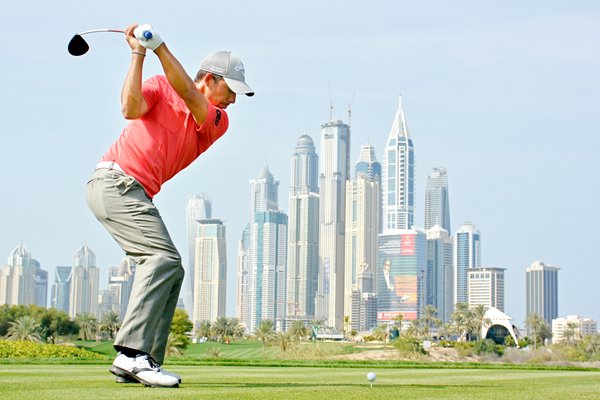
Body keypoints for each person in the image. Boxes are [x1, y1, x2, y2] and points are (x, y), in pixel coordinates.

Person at [86, 23, 253, 388]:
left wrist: (159, 46)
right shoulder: (160, 87)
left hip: (132, 191)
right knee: (161, 260)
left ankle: (145, 360)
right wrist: (139, 54)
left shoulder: (216, 119)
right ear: (209, 79)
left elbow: (186, 93)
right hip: (115, 182)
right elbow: (129, 108)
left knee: (171, 268)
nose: (233, 100)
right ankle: (132, 355)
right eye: (231, 90)